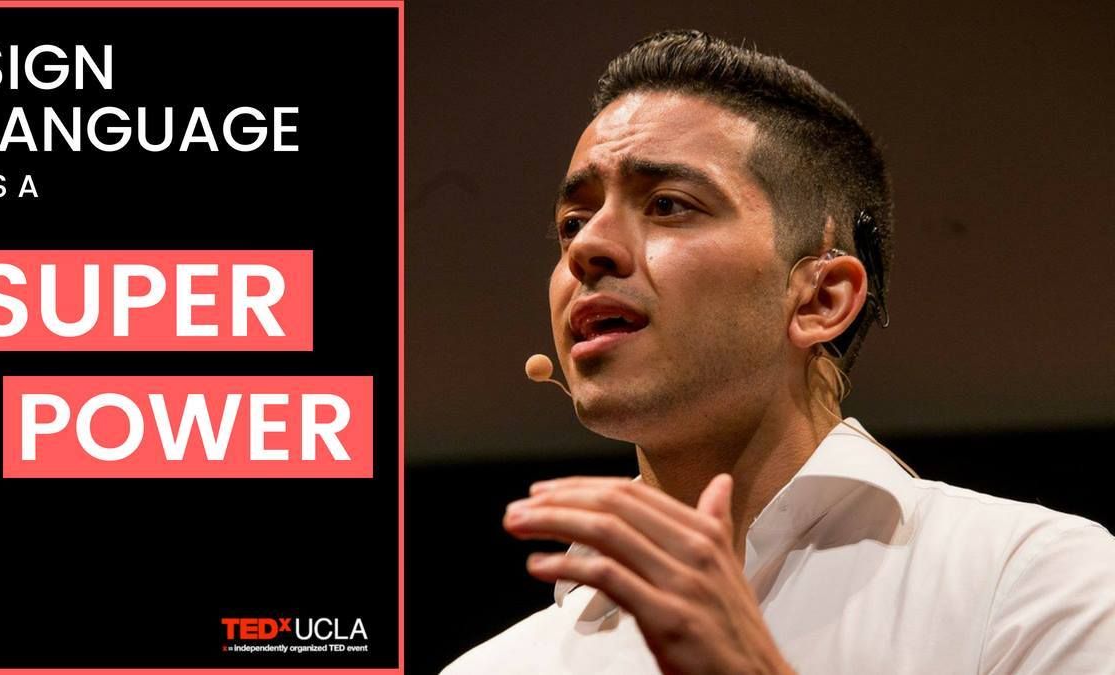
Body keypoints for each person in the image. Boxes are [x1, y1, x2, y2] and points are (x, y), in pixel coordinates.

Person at [442, 29, 1115, 674]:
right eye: (572, 222)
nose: (587, 247)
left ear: (821, 299)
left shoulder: (1030, 581)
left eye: (670, 204)